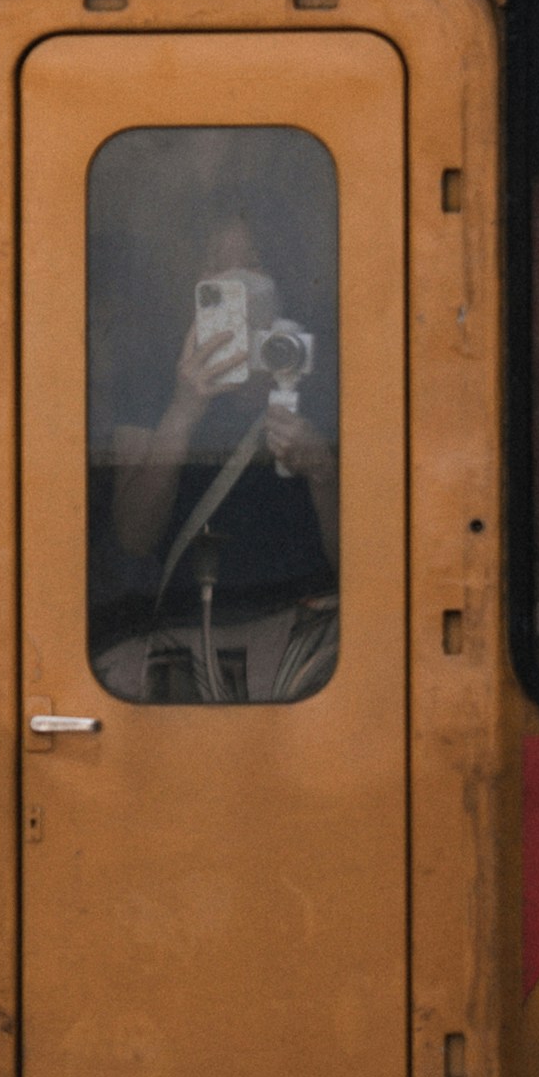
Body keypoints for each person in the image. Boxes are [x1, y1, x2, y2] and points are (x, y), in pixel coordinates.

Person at [97, 194, 339, 702]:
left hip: (302, 639)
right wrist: (183, 412)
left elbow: (365, 562)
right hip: (183, 635)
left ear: (279, 278)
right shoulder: (149, 378)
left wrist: (322, 471)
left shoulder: (321, 373)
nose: (232, 282)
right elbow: (135, 536)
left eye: (249, 264)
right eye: (215, 265)